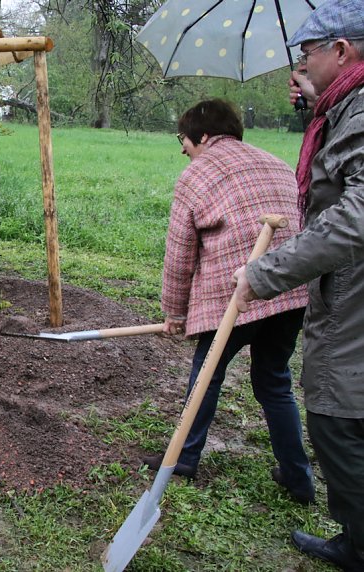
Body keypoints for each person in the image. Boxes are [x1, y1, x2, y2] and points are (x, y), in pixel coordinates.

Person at [233, 1, 364, 569]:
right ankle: (354, 540)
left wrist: (265, 272)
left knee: (338, 423)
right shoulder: (345, 106)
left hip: (354, 294)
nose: (301, 64)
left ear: (342, 50)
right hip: (344, 290)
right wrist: (319, 107)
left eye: (308, 53)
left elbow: (356, 215)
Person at [141, 99, 314, 505]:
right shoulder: (275, 161)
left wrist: (175, 313)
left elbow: (180, 254)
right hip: (291, 290)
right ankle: (298, 477)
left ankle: (183, 458)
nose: (182, 148)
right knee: (274, 380)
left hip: (239, 292)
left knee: (207, 373)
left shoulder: (196, 174)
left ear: (203, 136)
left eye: (183, 139)